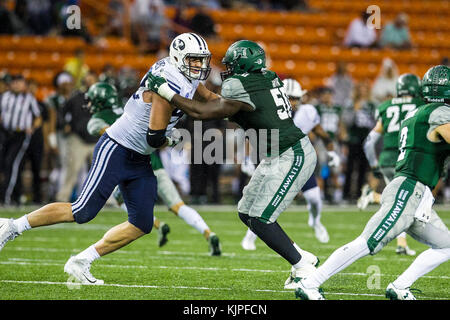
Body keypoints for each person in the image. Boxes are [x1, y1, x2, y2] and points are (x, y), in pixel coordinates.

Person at [0, 32, 218, 285]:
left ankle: (81, 261)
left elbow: (206, 96)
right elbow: (155, 138)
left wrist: (235, 106)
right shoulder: (168, 81)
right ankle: (12, 226)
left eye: (201, 60)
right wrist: (173, 140)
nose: (199, 66)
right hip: (117, 148)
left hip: (139, 157)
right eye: (194, 60)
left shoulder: (183, 76)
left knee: (141, 223)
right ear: (179, 58)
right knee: (82, 211)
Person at [146, 39, 320, 288]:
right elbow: (225, 105)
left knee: (261, 218)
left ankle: (302, 268)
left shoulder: (242, 84)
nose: (229, 70)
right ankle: (303, 257)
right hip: (276, 154)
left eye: (233, 65)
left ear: (243, 64)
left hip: (291, 153)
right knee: (247, 212)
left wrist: (167, 92)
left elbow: (201, 112)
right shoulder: (265, 78)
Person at [293, 65, 450, 300]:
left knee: (446, 245)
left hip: (417, 193)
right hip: (408, 190)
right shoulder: (439, 113)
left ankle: (400, 287)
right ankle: (310, 283)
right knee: (368, 242)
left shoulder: (419, 113)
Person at [85, 81, 221, 254]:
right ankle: (208, 233)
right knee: (177, 206)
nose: (89, 104)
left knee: (121, 202)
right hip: (154, 164)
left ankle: (157, 224)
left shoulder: (99, 119)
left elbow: (114, 138)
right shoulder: (132, 106)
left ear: (98, 100)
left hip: (130, 167)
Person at [241, 78, 337, 249]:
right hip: (277, 161)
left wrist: (331, 151)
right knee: (265, 200)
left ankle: (315, 222)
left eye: (295, 98)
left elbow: (321, 132)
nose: (292, 102)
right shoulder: (270, 113)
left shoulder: (307, 112)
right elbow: (252, 133)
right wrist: (247, 158)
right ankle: (250, 236)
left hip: (300, 161)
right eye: (289, 97)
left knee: (315, 199)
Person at [358, 74, 426, 257]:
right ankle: (373, 197)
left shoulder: (386, 106)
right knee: (406, 201)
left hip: (387, 159)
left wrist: (373, 165)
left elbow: (369, 142)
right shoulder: (421, 106)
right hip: (408, 158)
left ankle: (401, 243)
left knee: (401, 202)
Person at [0, 74, 42, 205]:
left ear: (24, 85)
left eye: (19, 82)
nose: (16, 85)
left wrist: (32, 127)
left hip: (20, 135)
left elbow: (38, 117)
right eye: (14, 82)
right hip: (5, 134)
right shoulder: (4, 97)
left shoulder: (29, 99)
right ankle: (10, 196)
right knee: (5, 164)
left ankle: (6, 197)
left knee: (12, 163)